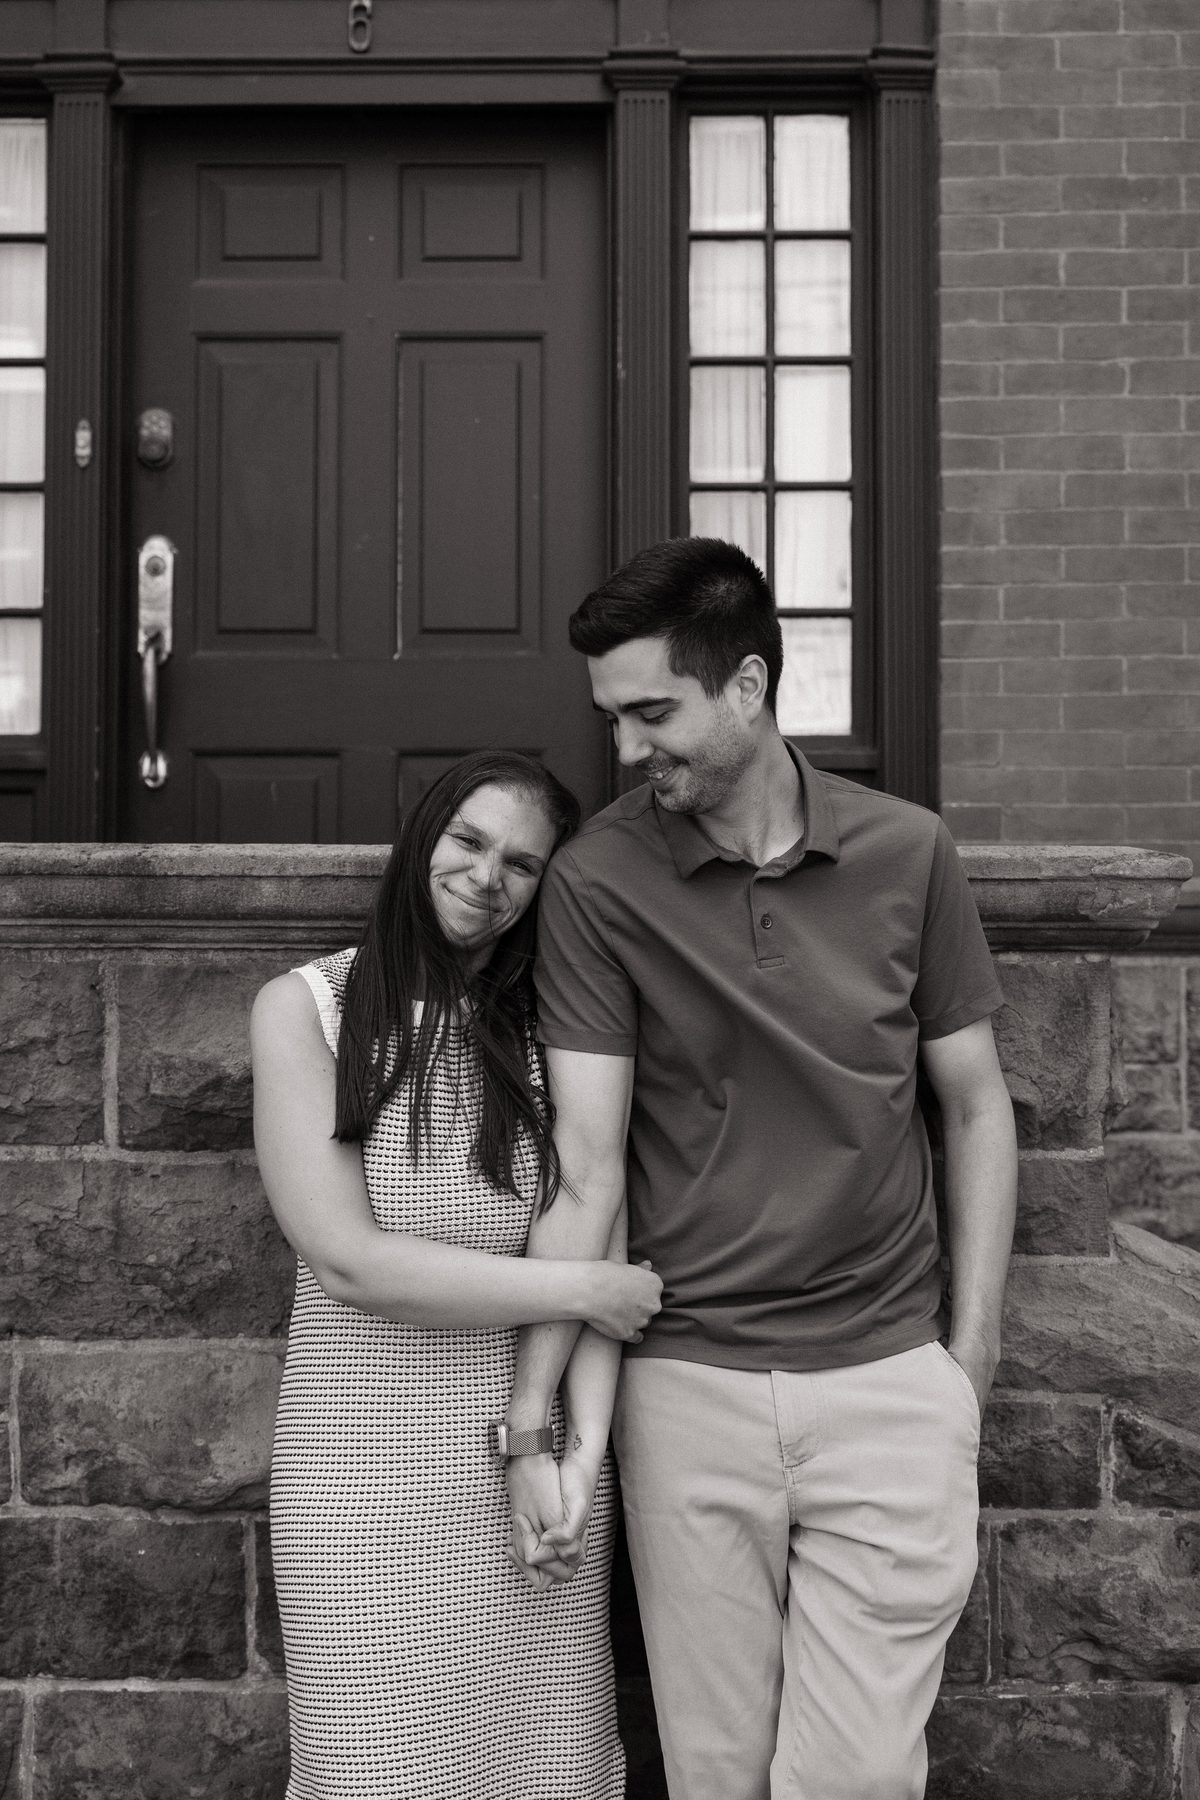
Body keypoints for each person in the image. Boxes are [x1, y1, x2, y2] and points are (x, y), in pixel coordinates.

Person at [502, 539, 1019, 1800]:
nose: (626, 750)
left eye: (652, 713)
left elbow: (975, 1105)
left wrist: (972, 1357)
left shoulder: (908, 854)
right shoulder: (597, 881)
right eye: (612, 720)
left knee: (856, 1778)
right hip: (692, 1388)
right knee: (716, 1776)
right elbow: (587, 1171)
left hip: (891, 1383)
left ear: (746, 685)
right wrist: (531, 1423)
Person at [251, 749, 662, 1800]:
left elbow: (595, 1210)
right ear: (424, 837)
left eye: (523, 865)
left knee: (548, 1769)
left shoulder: (553, 1033)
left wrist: (581, 1457)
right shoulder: (311, 1009)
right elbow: (350, 1260)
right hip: (360, 1471)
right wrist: (579, 1293)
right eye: (469, 841)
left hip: (537, 1469)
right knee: (374, 1767)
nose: (489, 877)